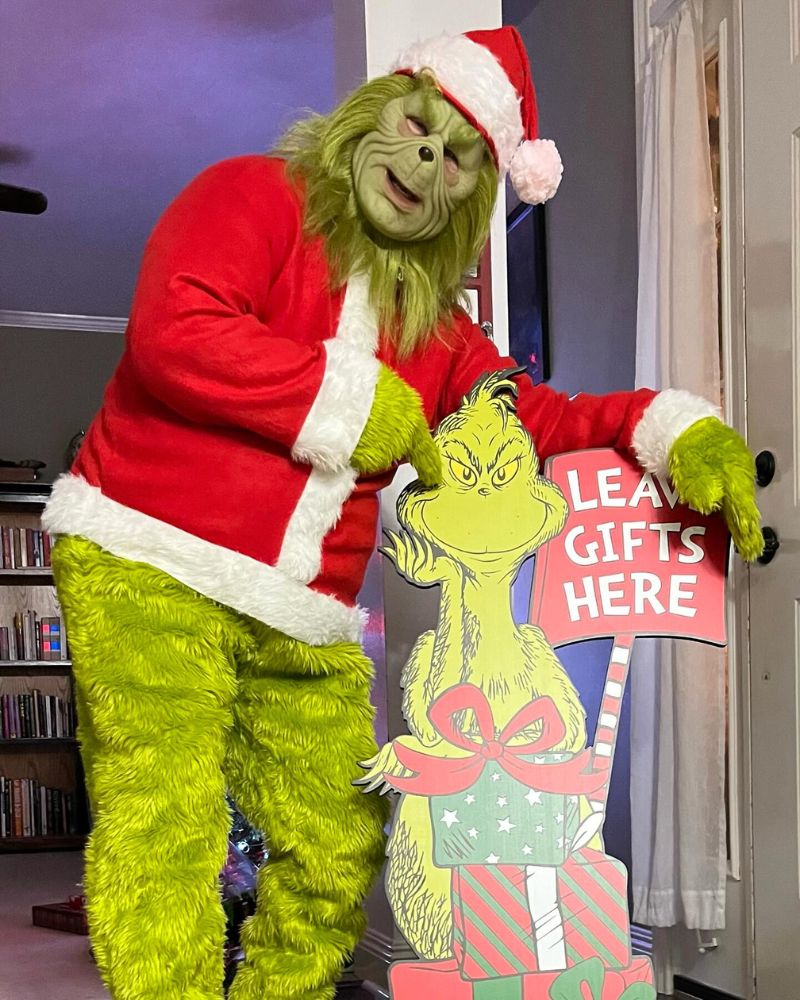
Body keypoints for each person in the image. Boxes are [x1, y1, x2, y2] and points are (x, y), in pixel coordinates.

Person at [43, 26, 762, 1000]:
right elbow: (178, 329)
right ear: (372, 113)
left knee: (338, 837)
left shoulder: (441, 332)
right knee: (164, 816)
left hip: (304, 610)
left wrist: (671, 431)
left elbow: (537, 416)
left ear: (471, 196)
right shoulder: (250, 195)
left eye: (460, 156)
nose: (427, 158)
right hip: (147, 560)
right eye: (418, 125)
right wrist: (358, 404)